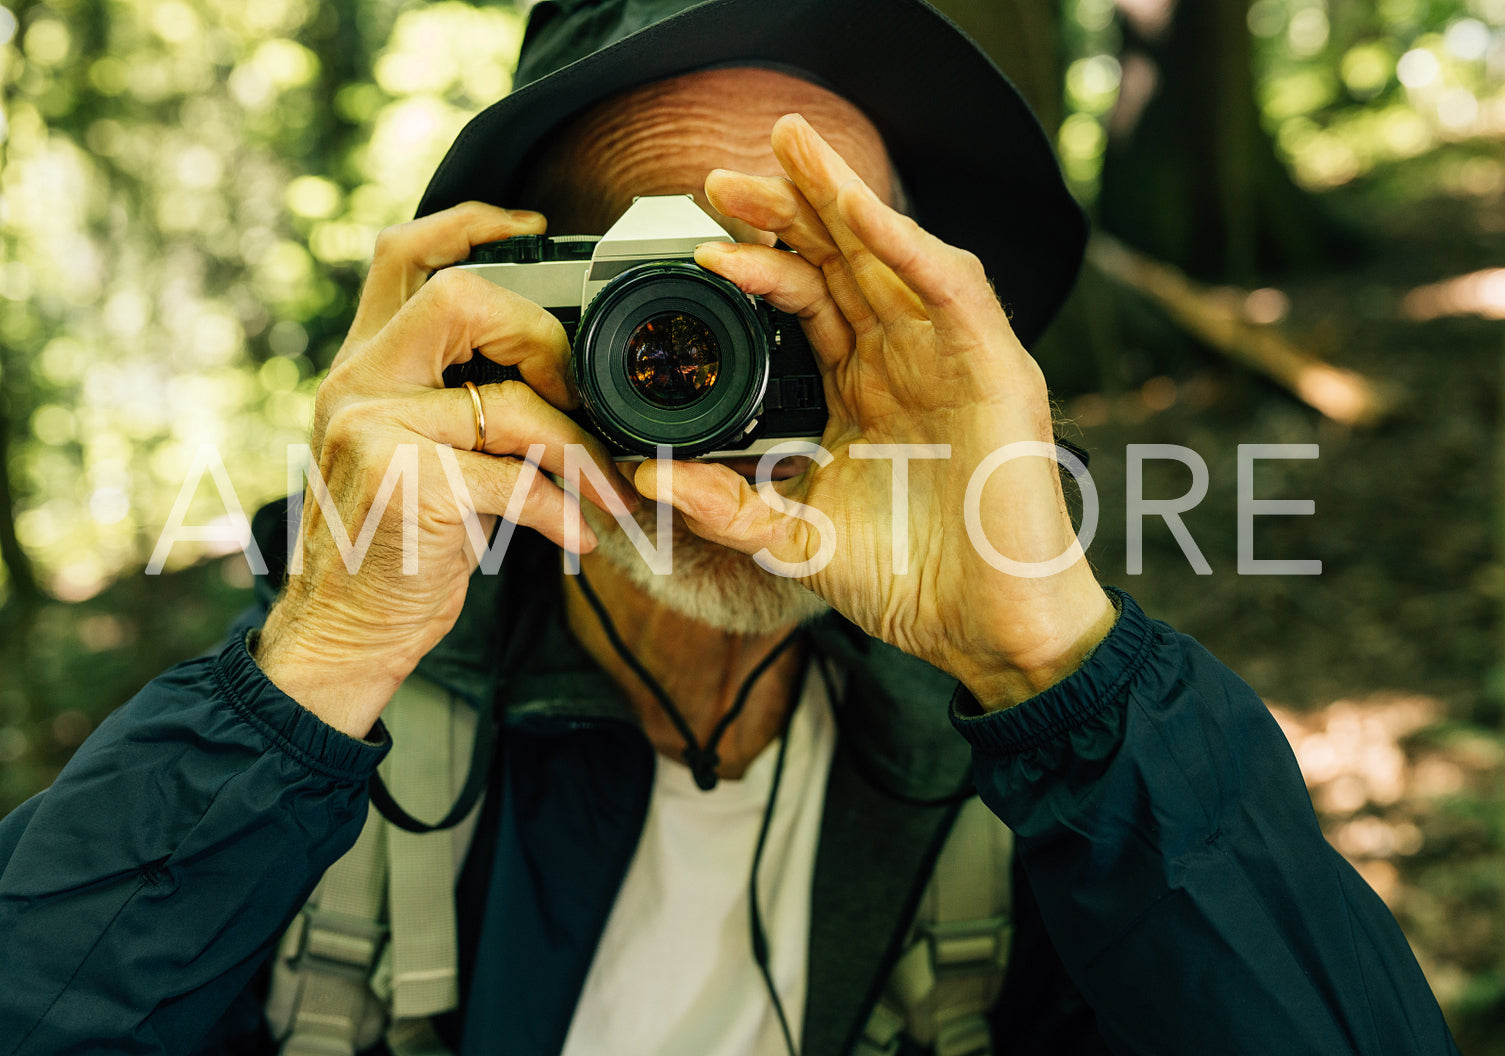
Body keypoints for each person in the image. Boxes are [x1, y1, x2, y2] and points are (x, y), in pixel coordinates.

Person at [0, 1, 1462, 1054]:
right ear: (514, 323)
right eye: (665, 317)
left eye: (803, 299)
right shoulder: (340, 744)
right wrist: (311, 672)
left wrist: (1055, 673)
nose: (734, 389)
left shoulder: (1033, 791)